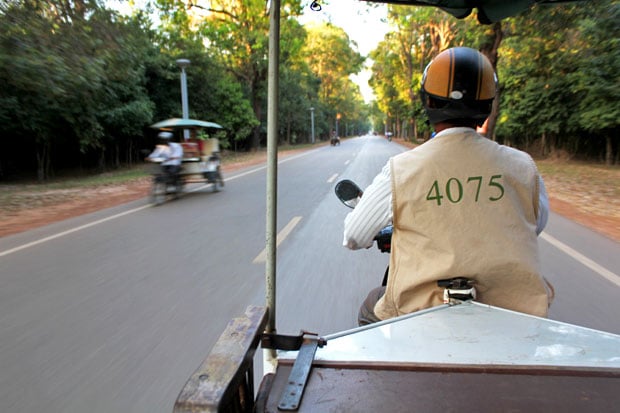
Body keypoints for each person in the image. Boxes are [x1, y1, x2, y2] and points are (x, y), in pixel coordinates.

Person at [343, 47, 552, 325]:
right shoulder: (523, 166)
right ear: (487, 105)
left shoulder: (403, 168)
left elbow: (354, 236)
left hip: (418, 313)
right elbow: (534, 224)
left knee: (371, 304)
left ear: (427, 101)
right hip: (514, 312)